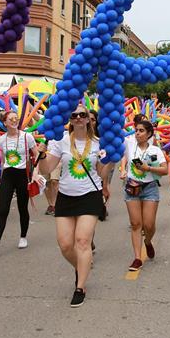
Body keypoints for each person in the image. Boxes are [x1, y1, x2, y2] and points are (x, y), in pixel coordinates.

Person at [38, 104, 108, 307]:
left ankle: (80, 287)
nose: (78, 117)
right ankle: (82, 265)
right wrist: (41, 155)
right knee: (65, 245)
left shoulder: (98, 143)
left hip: (90, 195)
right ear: (70, 119)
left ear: (88, 119)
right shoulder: (60, 142)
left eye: (82, 115)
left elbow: (102, 174)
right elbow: (46, 169)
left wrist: (110, 161)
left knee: (82, 241)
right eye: (74, 115)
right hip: (66, 197)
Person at [0, 111, 39, 256]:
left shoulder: (27, 137)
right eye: (11, 119)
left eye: (16, 118)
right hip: (8, 176)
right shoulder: (2, 140)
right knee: (3, 209)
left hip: (22, 175)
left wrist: (35, 172)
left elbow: (37, 154)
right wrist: (0, 178)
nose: (14, 121)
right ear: (5, 123)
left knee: (22, 208)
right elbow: (2, 160)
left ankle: (23, 236)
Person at [119, 119, 167, 271]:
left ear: (149, 134)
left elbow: (165, 170)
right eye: (136, 130)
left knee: (149, 225)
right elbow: (116, 129)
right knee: (135, 224)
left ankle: (147, 241)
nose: (137, 133)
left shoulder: (155, 151)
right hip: (132, 187)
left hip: (149, 188)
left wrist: (149, 169)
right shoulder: (129, 144)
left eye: (141, 131)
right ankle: (137, 258)